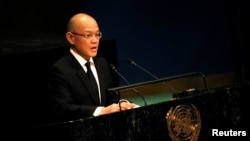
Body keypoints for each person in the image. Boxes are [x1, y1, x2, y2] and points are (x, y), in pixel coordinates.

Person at [46, 13, 137, 123]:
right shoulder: (60, 70)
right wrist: (99, 111)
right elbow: (63, 108)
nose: (95, 40)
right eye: (88, 35)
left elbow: (111, 98)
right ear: (71, 38)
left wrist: (122, 104)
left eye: (97, 34)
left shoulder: (102, 64)